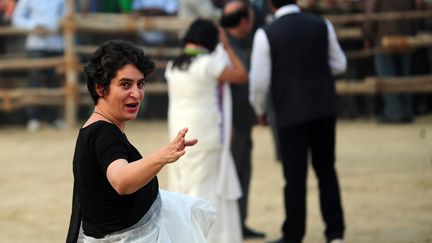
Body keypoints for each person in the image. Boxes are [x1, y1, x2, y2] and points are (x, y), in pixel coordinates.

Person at [66, 40, 217, 243]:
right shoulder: (104, 134)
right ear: (100, 89)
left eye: (141, 84)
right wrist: (162, 156)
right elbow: (121, 180)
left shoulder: (97, 129)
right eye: (125, 84)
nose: (136, 94)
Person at [248, 0, 347, 243]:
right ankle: (335, 233)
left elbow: (260, 81)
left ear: (271, 4)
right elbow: (339, 64)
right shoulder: (322, 24)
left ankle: (293, 234)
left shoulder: (266, 33)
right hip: (323, 107)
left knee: (294, 177)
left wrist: (259, 109)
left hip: (289, 111)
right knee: (326, 170)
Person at [165, 18, 247, 243]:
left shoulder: (173, 65)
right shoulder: (208, 64)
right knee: (204, 190)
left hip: (178, 133)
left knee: (181, 186)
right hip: (205, 135)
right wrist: (227, 47)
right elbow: (241, 74)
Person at [220, 0, 265, 239]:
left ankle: (240, 222)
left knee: (243, 172)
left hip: (243, 119)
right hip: (233, 121)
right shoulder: (224, 45)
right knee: (234, 173)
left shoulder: (241, 42)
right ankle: (233, 224)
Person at [11, 0, 66, 131]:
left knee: (54, 81)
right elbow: (17, 17)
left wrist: (55, 26)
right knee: (34, 80)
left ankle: (54, 118)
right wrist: (33, 26)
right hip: (36, 43)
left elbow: (66, 15)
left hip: (56, 42)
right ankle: (33, 118)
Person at [363, 0, 418, 123]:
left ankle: (394, 112)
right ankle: (406, 111)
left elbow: (371, 14)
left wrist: (367, 35)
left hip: (384, 37)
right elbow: (415, 15)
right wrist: (414, 34)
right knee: (404, 76)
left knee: (387, 77)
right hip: (406, 36)